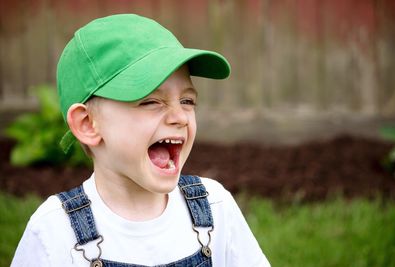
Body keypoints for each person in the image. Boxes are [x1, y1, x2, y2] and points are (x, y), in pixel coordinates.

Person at [12, 14, 270, 267]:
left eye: (187, 100)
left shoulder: (214, 208)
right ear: (88, 124)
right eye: (150, 102)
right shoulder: (55, 231)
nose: (180, 116)